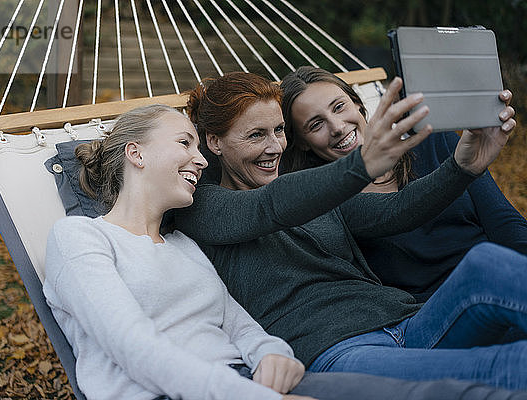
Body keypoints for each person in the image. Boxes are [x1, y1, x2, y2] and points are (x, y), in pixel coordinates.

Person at [42, 104, 513, 400]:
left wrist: (270, 354)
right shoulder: (99, 234)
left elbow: (238, 325)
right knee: (490, 376)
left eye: (279, 131)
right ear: (136, 154)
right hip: (273, 371)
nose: (198, 163)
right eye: (185, 144)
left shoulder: (182, 244)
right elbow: (134, 347)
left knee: (486, 272)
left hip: (296, 362)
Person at [174, 71, 527, 390]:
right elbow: (269, 207)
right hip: (340, 352)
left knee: (488, 263)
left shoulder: (310, 192)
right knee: (508, 365)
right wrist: (362, 164)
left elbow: (396, 211)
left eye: (279, 130)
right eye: (256, 135)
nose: (274, 147)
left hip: (408, 323)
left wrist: (462, 167)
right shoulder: (200, 206)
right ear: (215, 143)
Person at [279, 66, 527, 303]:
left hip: (504, 279)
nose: (337, 127)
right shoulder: (323, 203)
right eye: (316, 125)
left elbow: (503, 222)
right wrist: (460, 169)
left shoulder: (434, 141)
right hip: (436, 313)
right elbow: (399, 209)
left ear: (358, 104)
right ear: (302, 143)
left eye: (339, 107)